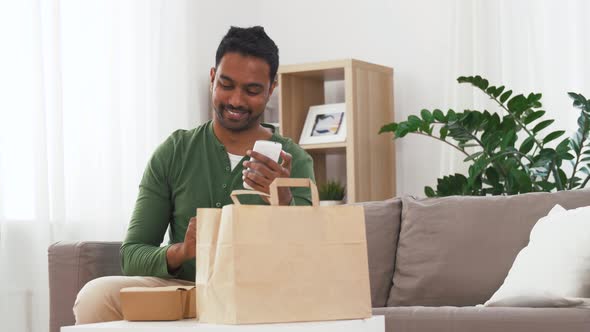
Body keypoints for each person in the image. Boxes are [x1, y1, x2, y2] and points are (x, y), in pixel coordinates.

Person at [73, 26, 315, 324]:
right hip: (185, 291)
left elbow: (308, 259)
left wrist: (283, 198)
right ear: (213, 78)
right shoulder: (175, 151)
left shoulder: (293, 161)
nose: (237, 101)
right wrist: (182, 251)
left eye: (252, 90)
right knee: (97, 296)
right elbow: (132, 254)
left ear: (271, 89)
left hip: (262, 295)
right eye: (227, 84)